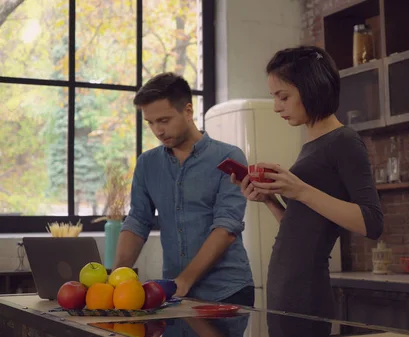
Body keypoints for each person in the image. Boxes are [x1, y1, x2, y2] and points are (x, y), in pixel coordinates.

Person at [231, 46, 384, 334]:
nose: (277, 107)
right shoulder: (312, 145)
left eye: (283, 96)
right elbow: (304, 227)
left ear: (311, 88)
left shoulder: (345, 141)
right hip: (285, 290)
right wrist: (271, 201)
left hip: (306, 294)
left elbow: (372, 222)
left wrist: (299, 190)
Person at [114, 72, 254, 306]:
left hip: (227, 292)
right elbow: (138, 221)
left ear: (188, 111)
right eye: (151, 123)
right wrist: (115, 279)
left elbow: (226, 227)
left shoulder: (229, 157)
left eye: (164, 120)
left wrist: (185, 281)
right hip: (174, 295)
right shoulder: (147, 164)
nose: (157, 130)